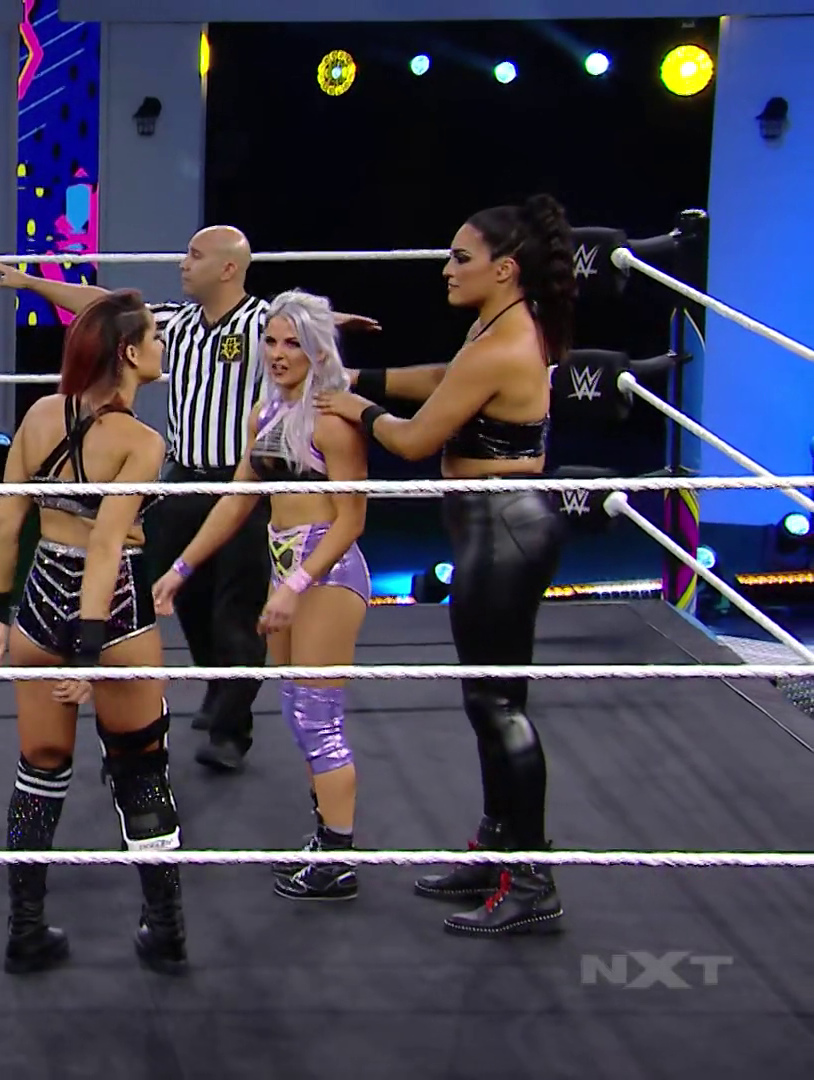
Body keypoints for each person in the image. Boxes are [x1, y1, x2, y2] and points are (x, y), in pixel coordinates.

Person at [0, 232, 376, 773]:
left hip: (242, 481)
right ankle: (208, 685)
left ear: (228, 269)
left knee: (237, 609)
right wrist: (33, 284)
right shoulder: (175, 322)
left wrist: (328, 325)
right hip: (182, 477)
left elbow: (301, 330)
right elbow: (104, 308)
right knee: (169, 589)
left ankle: (230, 728)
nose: (183, 264)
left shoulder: (260, 324)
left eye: (195, 256)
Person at [316, 193, 574, 936]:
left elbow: (412, 440)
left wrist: (354, 409)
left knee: (498, 704)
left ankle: (533, 880)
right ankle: (497, 848)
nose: (447, 269)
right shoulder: (497, 325)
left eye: (462, 258)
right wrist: (360, 381)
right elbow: (443, 378)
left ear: (506, 268)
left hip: (503, 527)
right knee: (489, 699)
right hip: (491, 524)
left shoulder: (504, 340)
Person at [0, 290, 186, 977]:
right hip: (109, 614)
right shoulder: (141, 442)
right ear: (129, 353)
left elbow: (8, 520)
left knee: (40, 767)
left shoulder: (39, 416)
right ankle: (166, 930)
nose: (162, 346)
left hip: (37, 605)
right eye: (154, 336)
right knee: (141, 769)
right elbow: (106, 546)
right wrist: (89, 654)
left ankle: (24, 930)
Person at [151, 291, 370, 902]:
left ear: (317, 349)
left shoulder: (334, 420)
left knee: (319, 717)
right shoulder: (266, 414)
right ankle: (326, 840)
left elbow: (352, 520)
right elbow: (237, 498)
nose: (277, 353)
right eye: (270, 341)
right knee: (299, 714)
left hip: (326, 571)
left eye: (292, 343)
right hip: (286, 567)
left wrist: (297, 585)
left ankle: (339, 857)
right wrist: (182, 567)